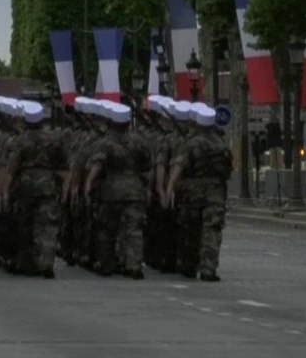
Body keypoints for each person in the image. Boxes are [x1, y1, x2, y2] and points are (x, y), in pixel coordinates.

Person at [84, 101, 151, 279]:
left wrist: (89, 184)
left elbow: (97, 166)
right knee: (134, 229)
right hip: (135, 190)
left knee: (107, 229)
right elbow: (147, 167)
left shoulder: (105, 143)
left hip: (111, 190)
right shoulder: (140, 142)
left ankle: (107, 264)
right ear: (128, 123)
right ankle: (134, 265)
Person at [166, 102, 231, 282]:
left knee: (191, 229)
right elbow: (227, 171)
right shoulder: (221, 144)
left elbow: (179, 165)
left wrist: (171, 187)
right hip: (216, 191)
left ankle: (189, 265)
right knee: (212, 230)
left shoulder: (191, 143)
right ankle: (208, 268)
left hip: (192, 191)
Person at [3, 100, 66, 278]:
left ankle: (25, 263)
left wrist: (7, 188)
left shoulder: (20, 140)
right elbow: (63, 166)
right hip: (48, 185)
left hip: (25, 186)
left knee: (24, 225)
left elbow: (12, 167)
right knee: (47, 225)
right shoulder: (54, 140)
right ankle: (46, 264)